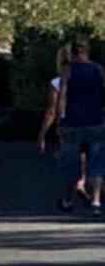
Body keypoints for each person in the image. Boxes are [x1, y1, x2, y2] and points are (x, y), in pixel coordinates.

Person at [58, 34, 105, 215]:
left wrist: (60, 121)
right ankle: (96, 202)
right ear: (87, 51)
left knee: (72, 165)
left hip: (73, 123)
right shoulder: (98, 69)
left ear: (73, 52)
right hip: (95, 121)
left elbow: (62, 97)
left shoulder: (68, 70)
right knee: (97, 164)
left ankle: (68, 200)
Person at [37, 45, 84, 210]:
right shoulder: (92, 76)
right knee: (87, 157)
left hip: (67, 124)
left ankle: (68, 198)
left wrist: (42, 135)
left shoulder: (57, 82)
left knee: (71, 162)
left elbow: (51, 110)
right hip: (91, 121)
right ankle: (85, 186)